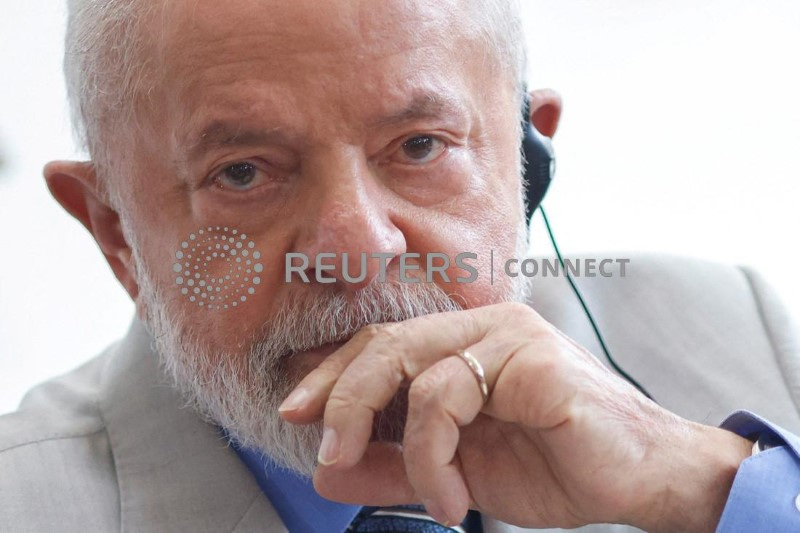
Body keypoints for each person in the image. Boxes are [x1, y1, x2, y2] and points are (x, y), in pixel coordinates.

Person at [1, 1, 799, 531]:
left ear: (524, 169)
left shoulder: (739, 333)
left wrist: (707, 490)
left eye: (420, 147)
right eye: (242, 172)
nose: (357, 249)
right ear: (116, 237)